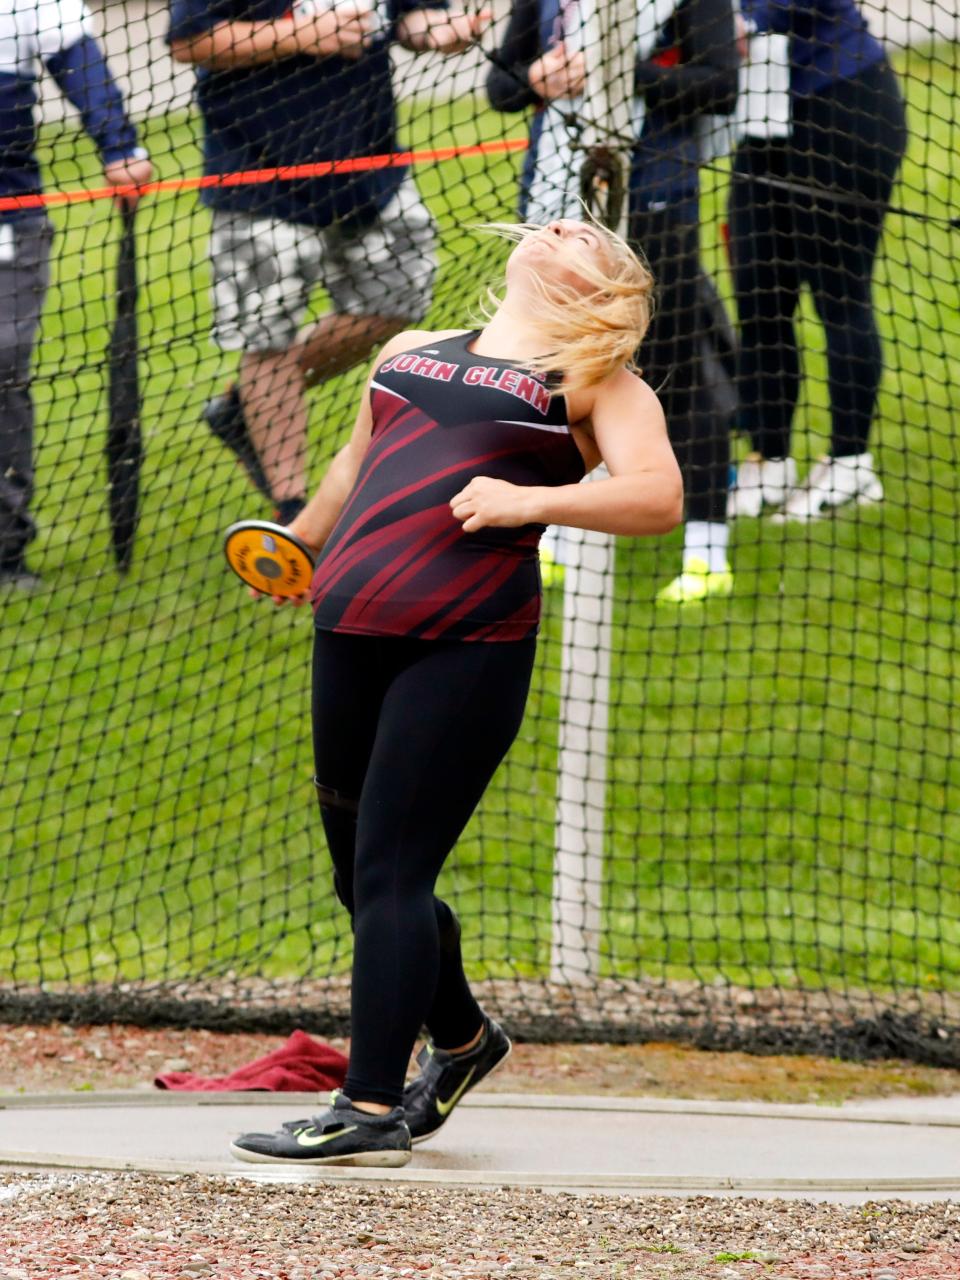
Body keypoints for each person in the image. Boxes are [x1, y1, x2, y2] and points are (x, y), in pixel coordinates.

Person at [228, 217, 682, 1167]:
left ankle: (369, 1104)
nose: (563, 224)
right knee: (363, 879)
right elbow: (354, 466)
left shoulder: (595, 381)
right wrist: (295, 545)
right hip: (347, 625)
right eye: (559, 219)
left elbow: (656, 495)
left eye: (589, 237)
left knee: (392, 871)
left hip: (465, 642)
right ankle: (467, 1040)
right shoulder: (407, 350)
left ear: (602, 294)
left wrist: (534, 502)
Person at [167, 0, 490, 526]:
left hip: (369, 164)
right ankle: (293, 514)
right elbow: (189, 40)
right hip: (257, 172)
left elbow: (410, 15)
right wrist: (299, 34)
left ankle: (242, 408)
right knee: (266, 338)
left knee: (398, 301)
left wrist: (443, 30)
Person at [487, 0, 741, 606]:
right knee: (553, 375)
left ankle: (707, 547)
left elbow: (720, 85)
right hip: (552, 206)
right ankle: (555, 534)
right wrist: (537, 78)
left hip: (652, 204)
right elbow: (500, 85)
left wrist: (612, 72)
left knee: (674, 369)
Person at [726, 0, 908, 521]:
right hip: (765, 121)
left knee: (839, 295)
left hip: (841, 106)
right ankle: (771, 458)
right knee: (760, 294)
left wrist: (746, 20)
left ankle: (851, 462)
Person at [0, 0, 152, 590]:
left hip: (10, 213)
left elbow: (78, 59)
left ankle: (5, 549)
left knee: (4, 360)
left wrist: (120, 148)